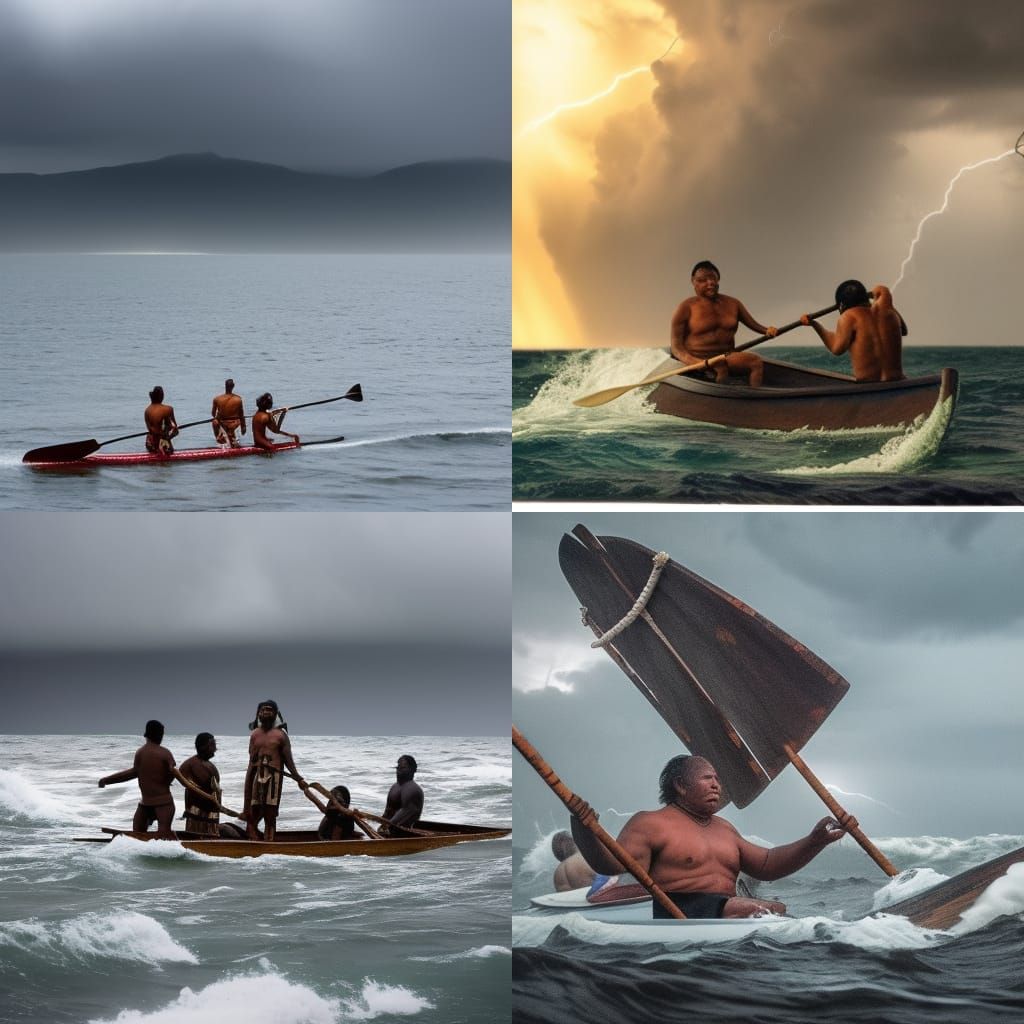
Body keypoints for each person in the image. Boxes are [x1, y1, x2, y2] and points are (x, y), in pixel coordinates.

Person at [570, 754, 856, 919]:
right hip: (682, 914)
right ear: (681, 785)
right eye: (708, 778)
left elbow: (767, 865)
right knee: (765, 910)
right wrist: (584, 831)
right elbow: (613, 865)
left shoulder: (724, 828)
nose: (717, 785)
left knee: (775, 910)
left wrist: (815, 841)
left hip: (726, 916)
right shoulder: (651, 823)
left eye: (718, 779)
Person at [670, 260, 777, 388]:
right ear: (694, 282)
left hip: (726, 356)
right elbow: (676, 349)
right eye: (703, 280)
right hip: (697, 360)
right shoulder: (686, 307)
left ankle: (755, 398)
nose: (710, 283)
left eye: (713, 278)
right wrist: (701, 363)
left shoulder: (733, 304)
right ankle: (720, 390)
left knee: (755, 362)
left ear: (718, 279)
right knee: (720, 368)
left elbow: (754, 325)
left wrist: (767, 330)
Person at [800, 280, 907, 382]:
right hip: (898, 381)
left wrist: (815, 325)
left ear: (841, 305)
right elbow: (904, 331)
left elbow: (836, 348)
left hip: (869, 385)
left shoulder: (849, 316)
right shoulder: (890, 313)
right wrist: (888, 303)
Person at [98, 720, 177, 839]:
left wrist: (106, 780)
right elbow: (173, 772)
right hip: (147, 804)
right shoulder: (164, 753)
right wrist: (108, 780)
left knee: (159, 835)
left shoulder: (144, 752)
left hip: (162, 804)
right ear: (159, 735)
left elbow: (173, 771)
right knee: (140, 835)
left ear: (146, 734)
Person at [243, 700, 308, 842]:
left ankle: (269, 842)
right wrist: (245, 800)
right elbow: (251, 763)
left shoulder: (281, 735)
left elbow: (289, 761)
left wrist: (298, 779)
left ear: (275, 713)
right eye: (263, 710)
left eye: (269, 710)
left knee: (270, 814)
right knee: (253, 812)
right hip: (257, 776)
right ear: (258, 713)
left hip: (274, 778)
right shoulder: (254, 735)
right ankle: (252, 842)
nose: (266, 712)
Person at [177, 733, 223, 836]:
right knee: (196, 838)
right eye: (212, 745)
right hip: (196, 814)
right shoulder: (188, 765)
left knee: (212, 840)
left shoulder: (210, 766)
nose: (215, 749)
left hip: (212, 814)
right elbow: (188, 787)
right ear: (203, 746)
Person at [380, 755, 424, 835]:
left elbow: (405, 813)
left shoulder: (413, 789)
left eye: (403, 768)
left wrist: (386, 827)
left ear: (413, 770)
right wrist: (380, 826)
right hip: (389, 831)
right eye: (398, 768)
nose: (399, 771)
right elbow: (387, 811)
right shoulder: (394, 787)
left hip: (405, 833)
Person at [211, 378, 247, 448]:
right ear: (233, 386)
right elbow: (241, 415)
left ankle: (220, 439)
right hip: (234, 423)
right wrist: (243, 427)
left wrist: (219, 415)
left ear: (225, 386)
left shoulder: (217, 399)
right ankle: (230, 441)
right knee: (233, 441)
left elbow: (213, 414)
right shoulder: (238, 399)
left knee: (214, 421)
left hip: (222, 423)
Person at [144, 387, 179, 455]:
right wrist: (168, 438)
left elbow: (150, 429)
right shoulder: (168, 409)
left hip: (150, 444)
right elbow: (175, 431)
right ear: (162, 396)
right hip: (162, 445)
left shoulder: (147, 410)